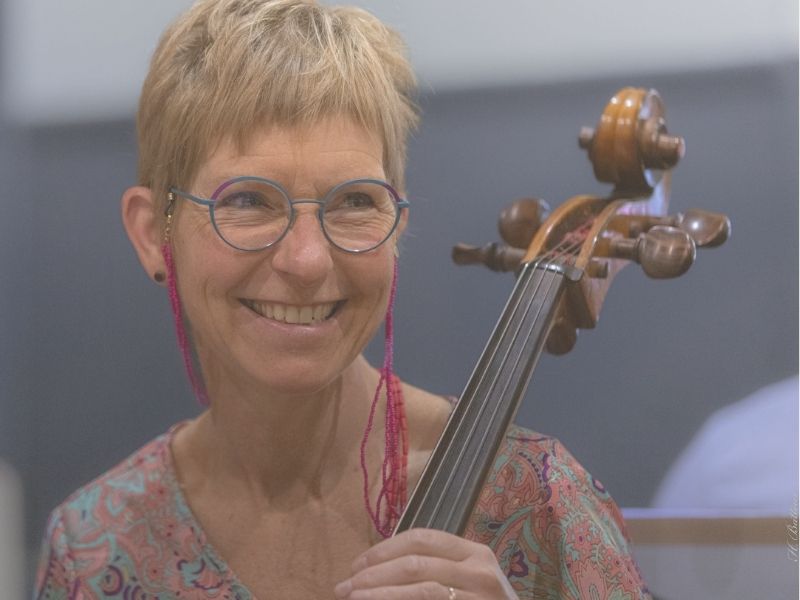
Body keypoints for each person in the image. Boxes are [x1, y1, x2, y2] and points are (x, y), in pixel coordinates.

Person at [34, 1, 650, 598]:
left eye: (356, 202)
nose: (307, 261)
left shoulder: (534, 502)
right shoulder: (97, 549)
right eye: (248, 201)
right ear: (151, 233)